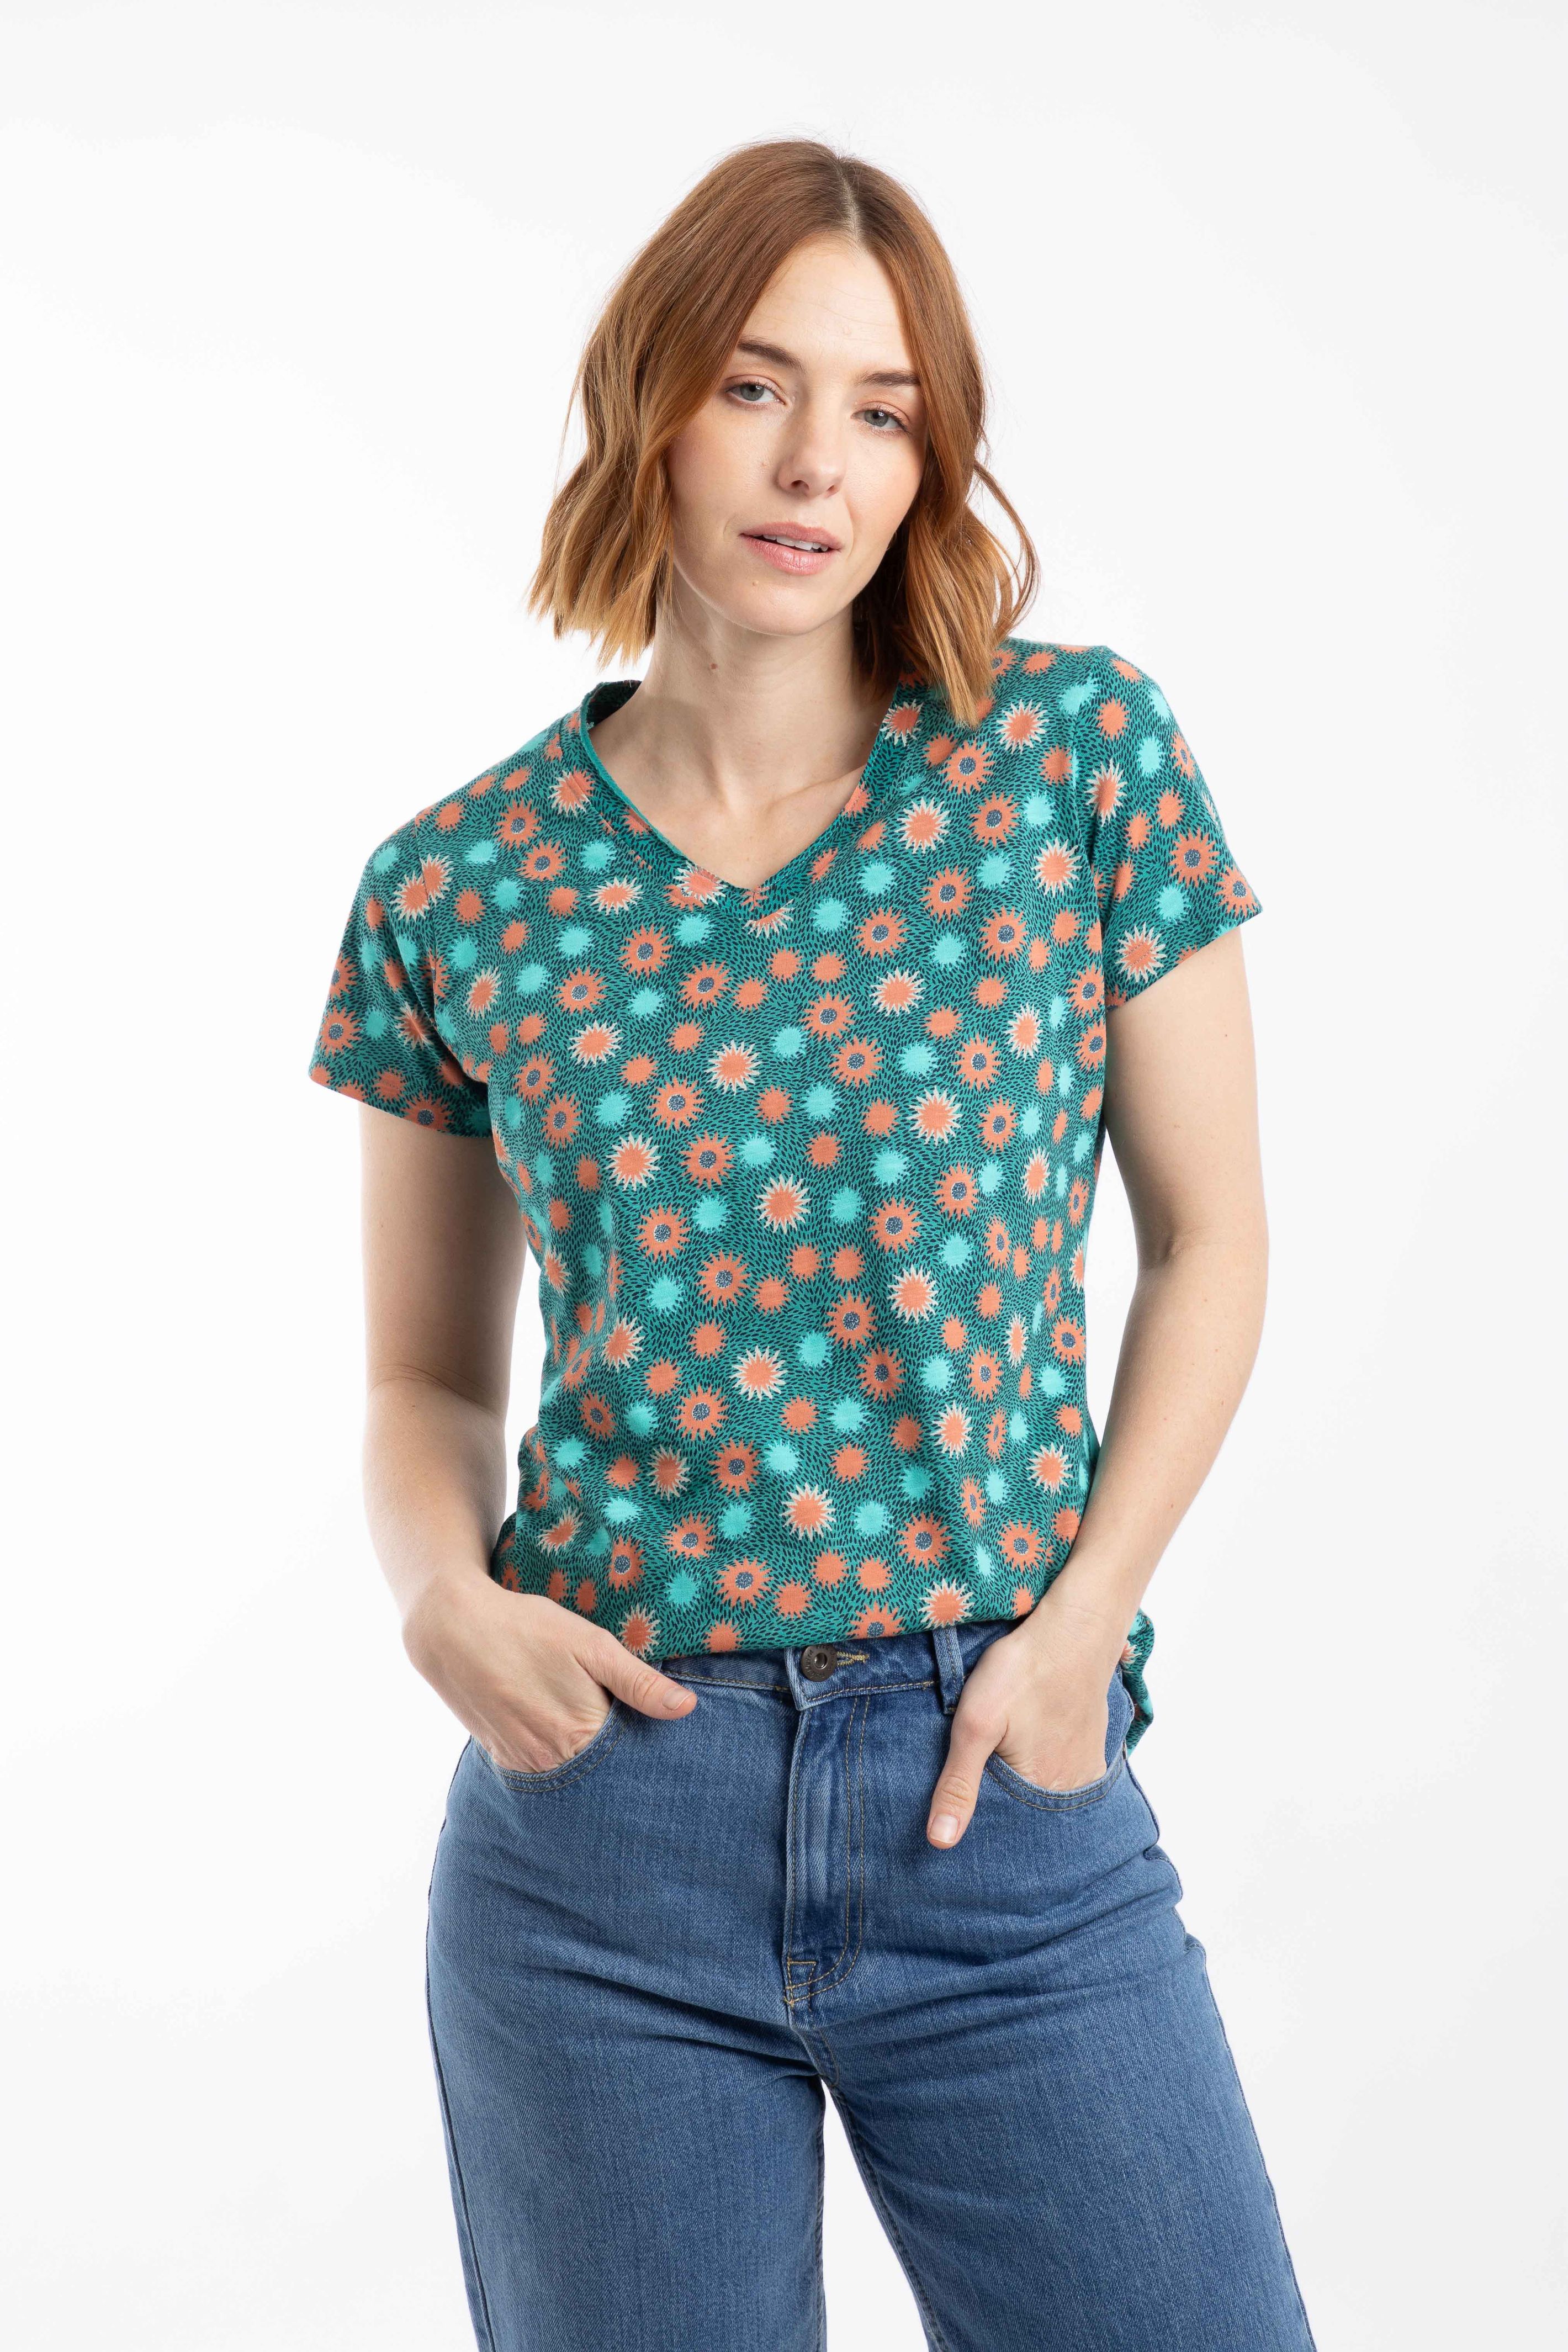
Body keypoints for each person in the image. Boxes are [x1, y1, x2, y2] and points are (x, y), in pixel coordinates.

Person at [306, 137, 1316, 2352]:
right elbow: (425, 1375)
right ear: (648, 400)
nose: (813, 465)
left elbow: (1212, 1239)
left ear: (933, 458)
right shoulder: (455, 886)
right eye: (756, 385)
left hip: (998, 1788)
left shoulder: (1072, 764)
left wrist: (1083, 1631)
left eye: (882, 410)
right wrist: (438, 1596)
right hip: (603, 1830)